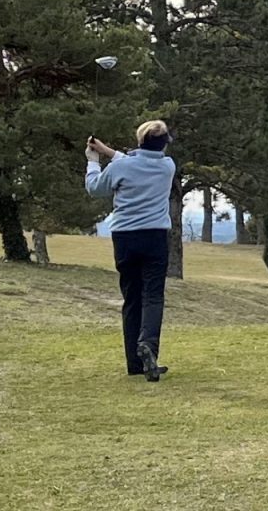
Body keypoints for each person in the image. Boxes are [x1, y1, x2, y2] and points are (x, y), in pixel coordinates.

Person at [85, 120, 175, 382]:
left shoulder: (121, 165)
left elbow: (95, 188)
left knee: (132, 297)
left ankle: (135, 363)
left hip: (125, 237)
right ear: (163, 144)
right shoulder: (167, 166)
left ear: (139, 141)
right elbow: (138, 160)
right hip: (156, 237)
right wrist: (107, 150)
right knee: (153, 296)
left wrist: (94, 159)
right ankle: (148, 345)